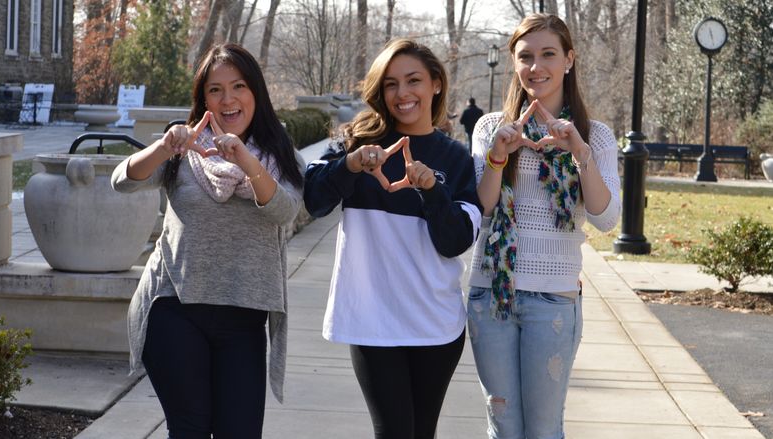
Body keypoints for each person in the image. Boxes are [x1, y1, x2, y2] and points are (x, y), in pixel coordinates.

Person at [111, 43, 303, 439]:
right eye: (215, 90)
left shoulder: (281, 156)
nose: (228, 99)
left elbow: (284, 211)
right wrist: (164, 146)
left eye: (239, 87)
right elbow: (122, 181)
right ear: (203, 99)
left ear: (256, 94)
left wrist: (245, 161)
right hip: (174, 309)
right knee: (190, 430)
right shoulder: (183, 151)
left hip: (244, 316)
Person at [303, 38, 482, 439]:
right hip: (372, 318)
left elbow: (456, 241)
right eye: (391, 84)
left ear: (436, 84)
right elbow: (312, 199)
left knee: (421, 433)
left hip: (435, 323)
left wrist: (432, 190)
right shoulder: (354, 141)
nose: (402, 93)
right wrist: (350, 164)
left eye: (413, 80)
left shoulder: (455, 158)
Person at [467, 14, 620, 439]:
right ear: (514, 64)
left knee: (542, 430)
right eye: (526, 57)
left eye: (548, 54)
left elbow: (606, 219)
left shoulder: (595, 136)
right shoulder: (489, 128)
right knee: (503, 427)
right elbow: (481, 210)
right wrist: (499, 155)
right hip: (490, 296)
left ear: (569, 59)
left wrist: (580, 154)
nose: (537, 67)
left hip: (552, 301)